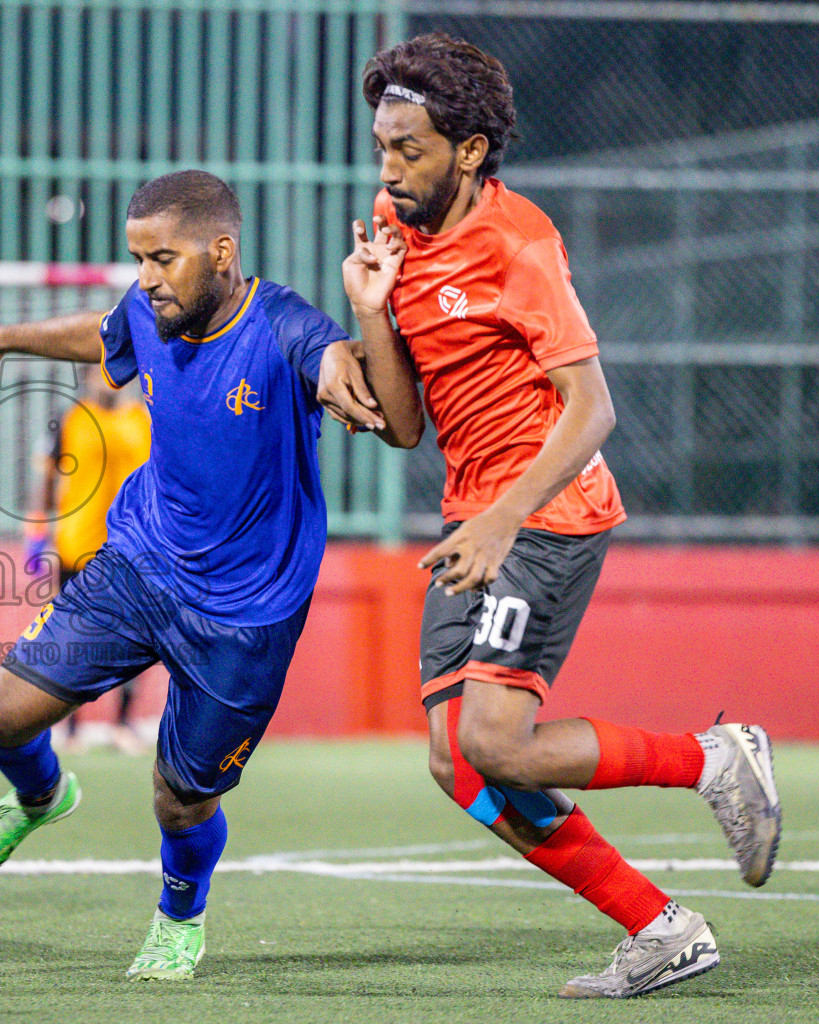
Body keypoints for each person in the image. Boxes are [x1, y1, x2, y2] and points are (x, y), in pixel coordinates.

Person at [316, 34, 781, 999]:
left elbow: (593, 408)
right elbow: (406, 426)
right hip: (472, 516)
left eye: (409, 149)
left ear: (471, 150)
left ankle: (711, 757)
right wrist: (369, 309)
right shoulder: (393, 225)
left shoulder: (518, 242)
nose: (389, 168)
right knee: (457, 764)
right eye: (381, 146)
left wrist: (500, 520)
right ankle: (661, 928)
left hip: (547, 509)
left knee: (492, 740)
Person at [0, 169, 347, 980]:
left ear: (221, 251)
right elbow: (104, 331)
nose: (146, 278)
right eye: (138, 259)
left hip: (246, 611)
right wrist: (0, 339)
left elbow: (330, 361)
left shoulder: (285, 326)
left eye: (163, 259)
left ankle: (178, 918)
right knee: (3, 719)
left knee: (180, 798)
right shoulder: (152, 310)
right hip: (140, 562)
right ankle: (41, 797)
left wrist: (342, 370)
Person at [25, 365, 151, 755]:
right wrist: (35, 533)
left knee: (137, 637)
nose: (105, 379)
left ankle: (123, 724)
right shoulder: (71, 418)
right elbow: (45, 478)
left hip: (132, 549)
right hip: (76, 544)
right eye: (96, 372)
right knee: (74, 637)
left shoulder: (143, 420)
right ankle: (72, 727)